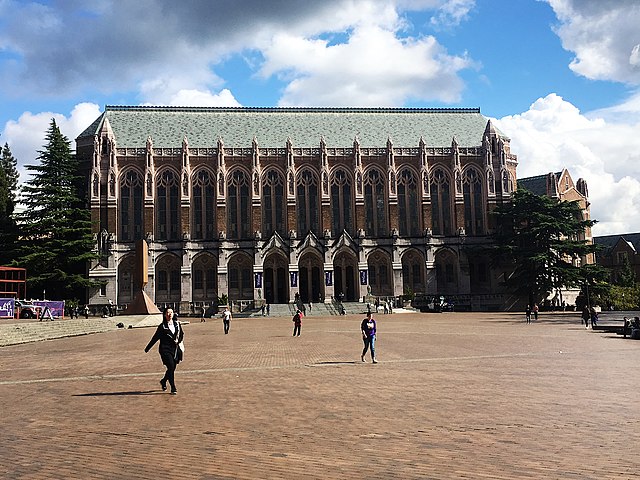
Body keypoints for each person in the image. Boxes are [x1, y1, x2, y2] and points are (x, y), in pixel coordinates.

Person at [144, 307, 184, 395]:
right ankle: (173, 387)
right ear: (165, 315)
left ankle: (163, 381)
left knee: (172, 368)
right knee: (170, 366)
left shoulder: (177, 324)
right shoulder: (162, 327)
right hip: (165, 349)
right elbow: (155, 338)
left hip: (175, 349)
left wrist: (179, 341)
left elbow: (181, 334)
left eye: (171, 312)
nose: (170, 314)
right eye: (168, 313)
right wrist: (147, 348)